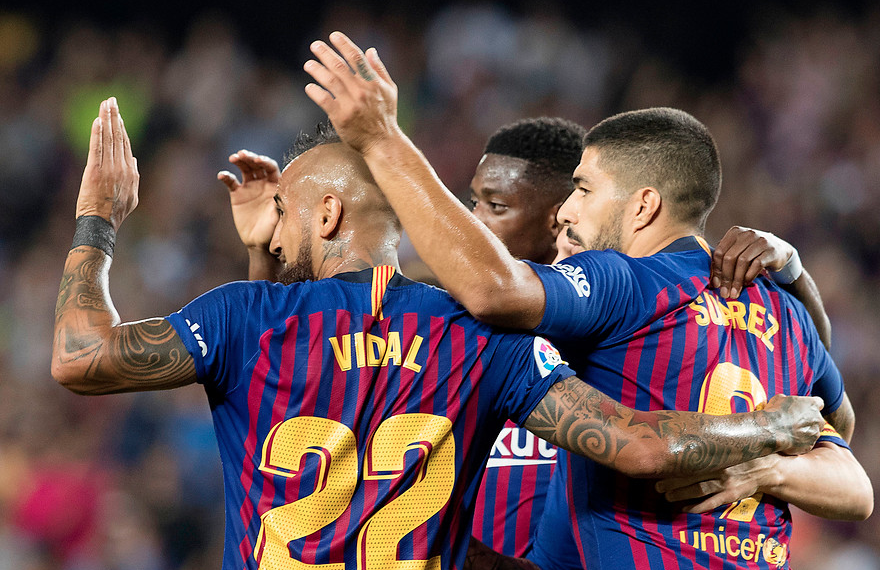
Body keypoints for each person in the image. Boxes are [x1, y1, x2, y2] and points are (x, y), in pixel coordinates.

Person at [52, 99, 826, 570]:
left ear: (328, 214)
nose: (272, 228)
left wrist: (98, 217)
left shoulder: (245, 319)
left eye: (283, 210)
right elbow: (642, 445)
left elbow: (81, 356)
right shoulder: (482, 340)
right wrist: (767, 427)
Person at [300, 33, 873, 569]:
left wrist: (382, 139)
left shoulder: (624, 282)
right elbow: (845, 452)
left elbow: (493, 290)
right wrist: (764, 455)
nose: (568, 212)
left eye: (583, 189)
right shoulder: (783, 309)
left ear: (642, 206)